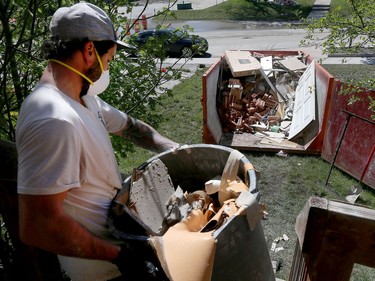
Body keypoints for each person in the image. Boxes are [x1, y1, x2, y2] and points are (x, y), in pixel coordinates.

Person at [16, 2, 178, 281]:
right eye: (110, 60)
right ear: (90, 51)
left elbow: (130, 126)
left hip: (120, 254)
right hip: (104, 271)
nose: (108, 68)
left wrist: (177, 151)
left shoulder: (83, 98)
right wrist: (122, 257)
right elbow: (38, 226)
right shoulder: (53, 120)